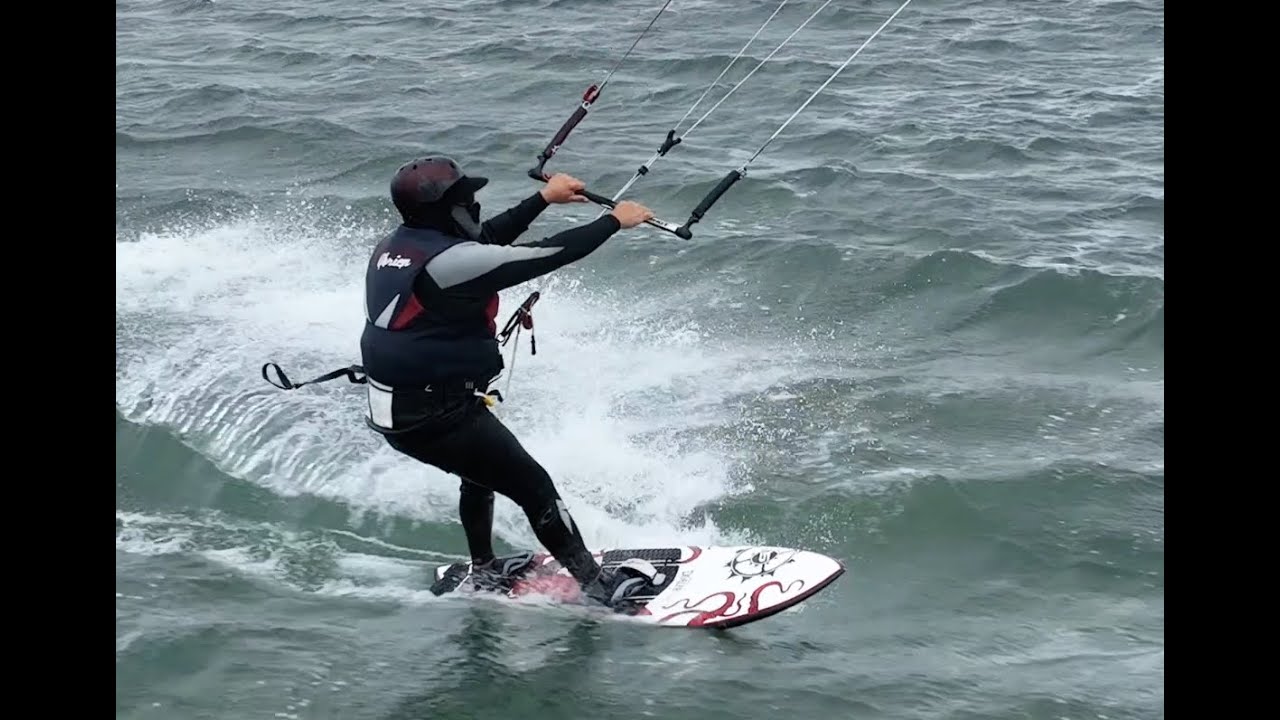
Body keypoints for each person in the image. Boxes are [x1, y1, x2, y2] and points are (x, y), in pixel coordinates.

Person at [360, 155, 658, 609]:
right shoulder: (448, 263)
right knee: (533, 485)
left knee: (477, 476)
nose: (475, 205)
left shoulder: (397, 247)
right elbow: (544, 255)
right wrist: (613, 221)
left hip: (399, 407)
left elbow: (485, 246)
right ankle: (596, 585)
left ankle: (484, 568)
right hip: (433, 415)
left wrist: (544, 198)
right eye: (468, 198)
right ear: (448, 208)